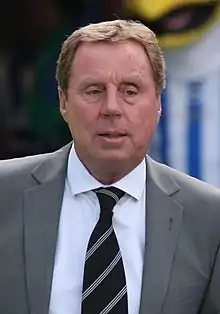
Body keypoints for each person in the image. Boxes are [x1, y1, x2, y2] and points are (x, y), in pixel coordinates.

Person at [0, 19, 220, 314]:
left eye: (130, 90)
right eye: (93, 90)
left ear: (158, 103)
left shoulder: (208, 217)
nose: (112, 108)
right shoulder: (5, 195)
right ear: (63, 101)